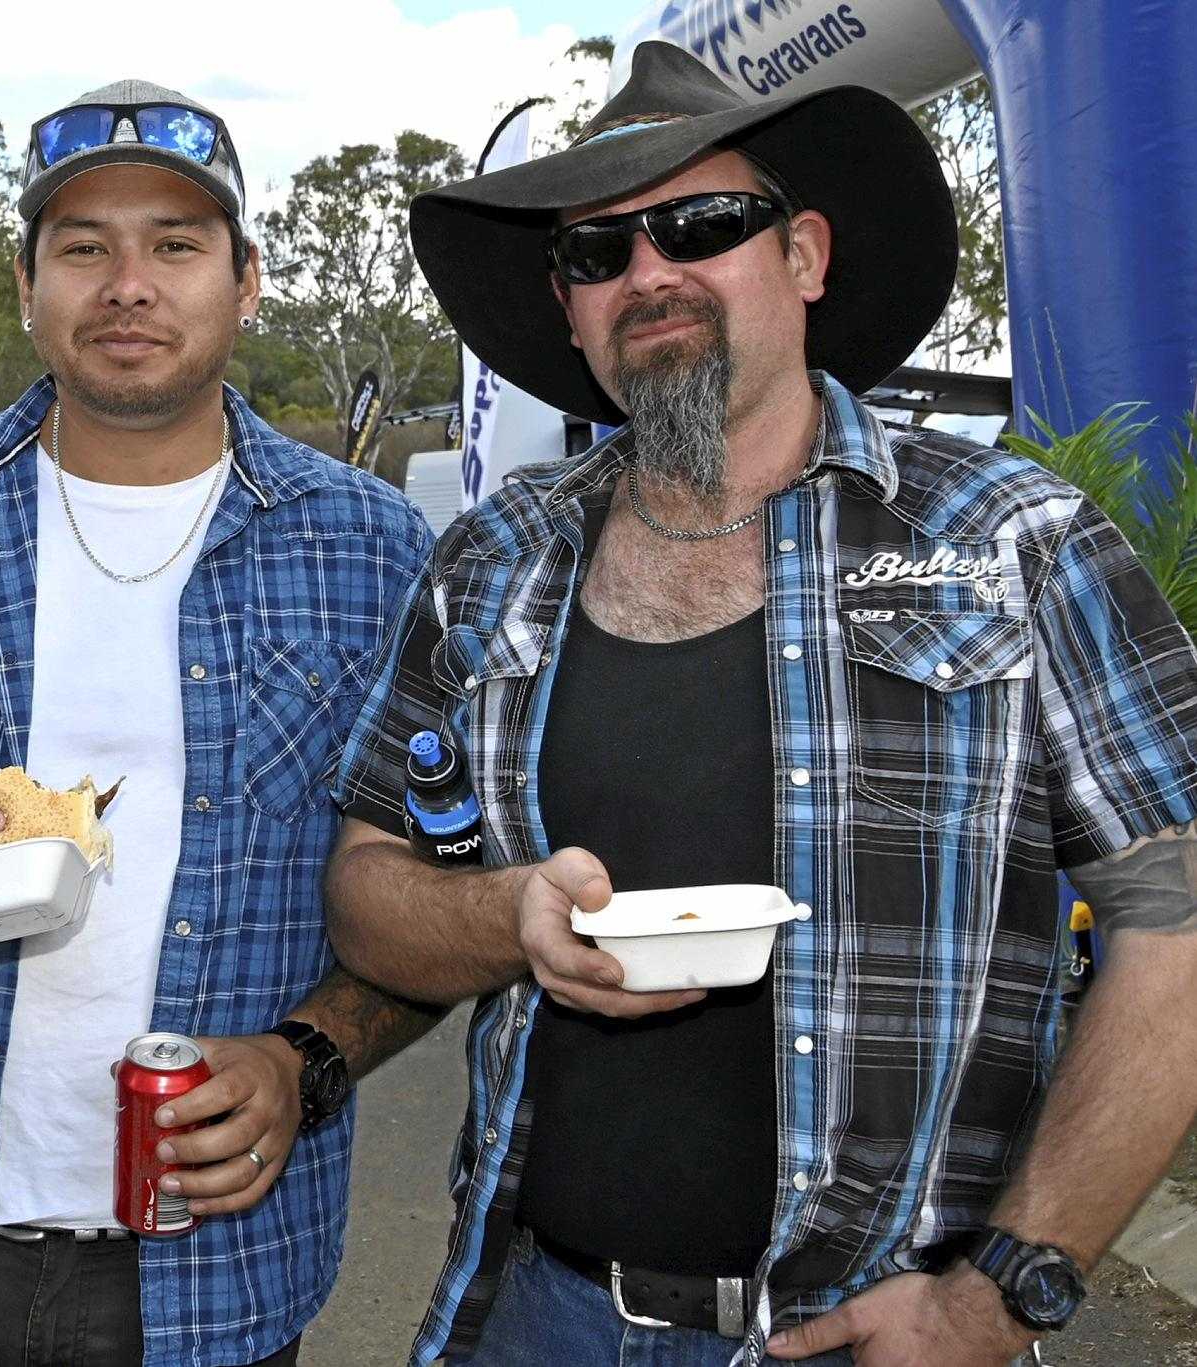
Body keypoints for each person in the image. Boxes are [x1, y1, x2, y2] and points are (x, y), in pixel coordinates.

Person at [326, 43, 1197, 1367]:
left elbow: (1172, 916)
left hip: (875, 1332)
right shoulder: (491, 557)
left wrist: (996, 1292)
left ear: (801, 256)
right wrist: (498, 914)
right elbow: (370, 880)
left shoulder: (1014, 539)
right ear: (565, 310)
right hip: (535, 1315)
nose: (648, 272)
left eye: (702, 225)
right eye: (595, 251)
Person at [0, 80, 441, 1367]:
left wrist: (307, 1060)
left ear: (247, 280)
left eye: (175, 245)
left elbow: (424, 892)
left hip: (216, 1268)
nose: (128, 283)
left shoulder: (371, 545)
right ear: (26, 282)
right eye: (82, 246)